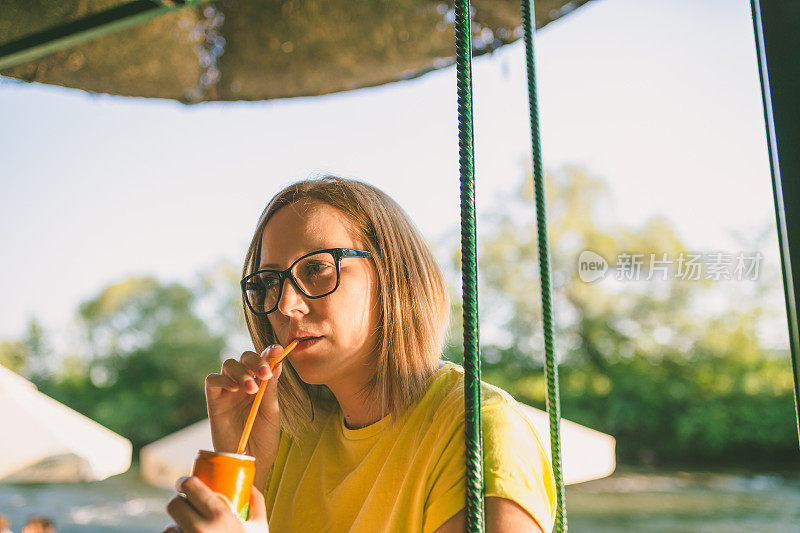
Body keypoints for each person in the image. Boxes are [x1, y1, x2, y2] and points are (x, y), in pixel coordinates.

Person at [165, 177, 555, 532]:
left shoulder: (480, 430)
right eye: (269, 281)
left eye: (317, 268)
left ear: (393, 276)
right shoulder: (288, 440)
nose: (285, 305)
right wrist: (241, 465)